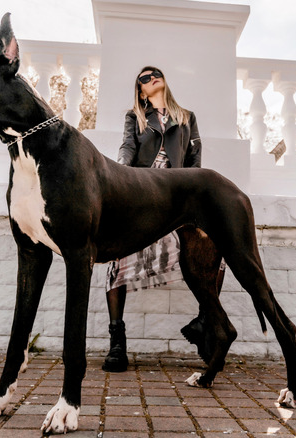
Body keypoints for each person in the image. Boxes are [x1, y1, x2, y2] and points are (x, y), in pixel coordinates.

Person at [103, 66, 218, 372]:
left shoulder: (187, 117)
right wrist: (121, 174)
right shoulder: (135, 117)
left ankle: (206, 322)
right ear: (141, 91)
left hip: (178, 194)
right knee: (117, 256)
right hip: (143, 190)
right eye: (144, 77)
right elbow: (127, 147)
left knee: (214, 249)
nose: (151, 77)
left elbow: (195, 160)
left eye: (155, 73)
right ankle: (117, 341)